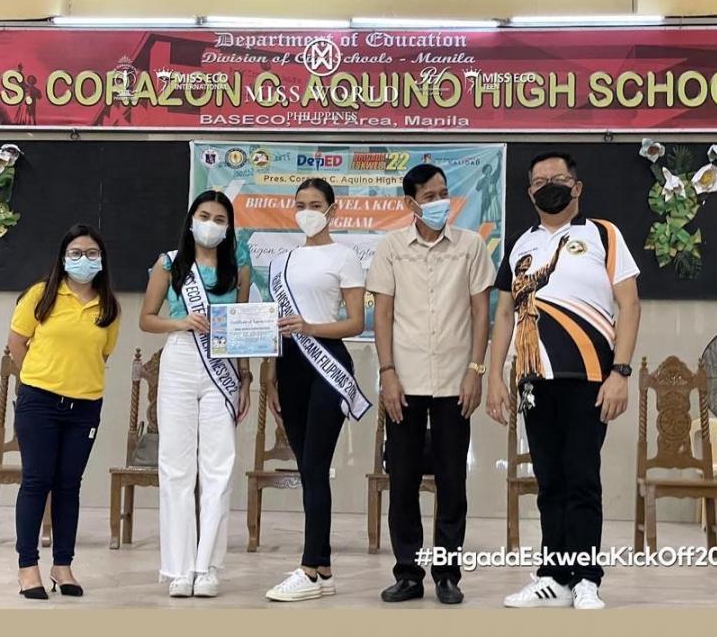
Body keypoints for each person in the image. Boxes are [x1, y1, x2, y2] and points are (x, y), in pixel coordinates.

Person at [486, 151, 641, 610]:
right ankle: (553, 577)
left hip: (590, 378)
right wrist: (494, 376)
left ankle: (586, 578)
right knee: (550, 481)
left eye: (557, 178)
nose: (548, 186)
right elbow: (504, 315)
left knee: (581, 477)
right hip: (535, 379)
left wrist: (620, 372)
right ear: (529, 192)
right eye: (539, 181)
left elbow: (629, 305)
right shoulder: (520, 245)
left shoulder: (603, 235)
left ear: (576, 186)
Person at [367, 163, 495, 605]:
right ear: (410, 203)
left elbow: (481, 312)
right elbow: (383, 314)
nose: (441, 202)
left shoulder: (470, 245)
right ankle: (407, 573)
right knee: (402, 481)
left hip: (456, 381)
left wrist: (476, 370)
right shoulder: (391, 248)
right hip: (404, 381)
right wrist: (387, 373)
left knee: (452, 482)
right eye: (430, 196)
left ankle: (447, 574)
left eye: (444, 193)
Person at [139, 190, 253, 599]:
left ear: (229, 227)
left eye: (220, 219)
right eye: (205, 216)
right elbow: (146, 319)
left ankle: (208, 567)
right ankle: (179, 567)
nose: (211, 224)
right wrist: (181, 322)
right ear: (191, 220)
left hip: (222, 367)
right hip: (181, 360)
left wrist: (245, 378)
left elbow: (241, 326)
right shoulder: (169, 263)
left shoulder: (239, 267)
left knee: (219, 467)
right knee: (176, 467)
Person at [263, 178, 370, 602]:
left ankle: (309, 569)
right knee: (306, 469)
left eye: (315, 204)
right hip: (289, 366)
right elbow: (273, 324)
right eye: (300, 204)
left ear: (332, 209)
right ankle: (323, 569)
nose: (307, 211)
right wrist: (270, 376)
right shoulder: (281, 261)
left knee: (315, 465)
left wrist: (309, 327)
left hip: (327, 365)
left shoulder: (344, 257)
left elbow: (355, 323)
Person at [7, 224, 121, 600]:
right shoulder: (41, 295)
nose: (83, 259)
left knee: (69, 485)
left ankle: (62, 565)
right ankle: (27, 568)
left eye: (91, 253)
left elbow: (102, 354)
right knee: (36, 482)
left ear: (102, 260)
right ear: (63, 257)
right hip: (39, 403)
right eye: (76, 253)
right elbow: (17, 343)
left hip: (85, 408)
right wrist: (39, 378)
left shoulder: (109, 307)